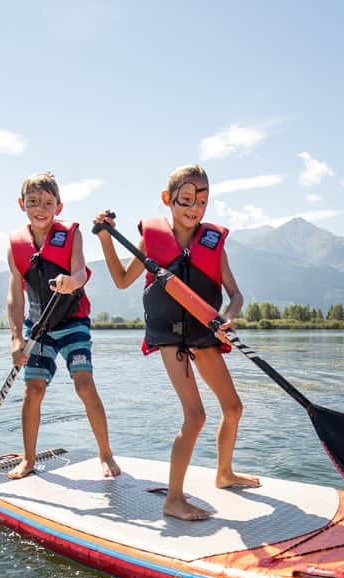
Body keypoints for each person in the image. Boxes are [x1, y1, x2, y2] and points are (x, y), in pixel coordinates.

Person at [94, 164, 258, 521]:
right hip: (171, 337)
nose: (194, 209)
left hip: (203, 332)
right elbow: (122, 280)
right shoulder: (152, 240)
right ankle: (174, 499)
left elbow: (236, 295)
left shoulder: (212, 243)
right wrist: (107, 239)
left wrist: (230, 315)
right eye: (186, 200)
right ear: (168, 200)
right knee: (195, 415)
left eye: (202, 202)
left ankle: (224, 474)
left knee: (233, 408)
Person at [6, 171, 120, 480]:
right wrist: (17, 338)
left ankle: (105, 454)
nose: (40, 209)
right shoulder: (16, 246)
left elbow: (81, 272)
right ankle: (28, 459)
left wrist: (71, 282)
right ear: (22, 205)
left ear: (59, 206)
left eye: (47, 203)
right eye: (33, 203)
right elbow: (14, 296)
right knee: (33, 390)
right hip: (38, 327)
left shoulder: (72, 235)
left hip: (73, 323)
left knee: (84, 384)